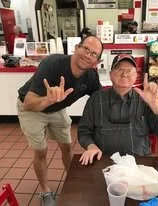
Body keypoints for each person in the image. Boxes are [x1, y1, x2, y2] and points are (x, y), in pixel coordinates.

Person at [17, 35, 103, 206]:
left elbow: (101, 100)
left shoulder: (91, 77)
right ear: (76, 47)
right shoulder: (53, 64)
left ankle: (74, 182)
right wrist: (47, 100)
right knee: (41, 151)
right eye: (86, 49)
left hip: (57, 109)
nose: (88, 55)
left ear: (96, 61)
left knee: (66, 145)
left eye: (93, 54)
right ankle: (45, 191)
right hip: (33, 108)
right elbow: (28, 103)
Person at [78, 54, 158, 165]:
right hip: (104, 161)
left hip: (139, 163)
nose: (124, 74)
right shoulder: (96, 99)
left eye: (129, 71)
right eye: (119, 69)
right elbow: (83, 132)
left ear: (136, 76)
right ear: (110, 75)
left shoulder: (145, 99)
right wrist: (91, 147)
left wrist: (155, 105)